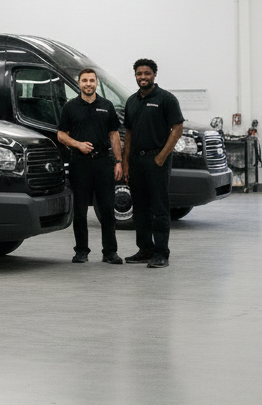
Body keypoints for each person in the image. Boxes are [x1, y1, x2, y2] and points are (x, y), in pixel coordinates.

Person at [121, 58, 184, 268]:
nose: (143, 77)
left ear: (154, 75)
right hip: (136, 161)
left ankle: (161, 253)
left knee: (159, 208)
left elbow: (177, 129)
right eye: (139, 74)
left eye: (147, 73)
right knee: (140, 208)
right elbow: (128, 133)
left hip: (157, 160)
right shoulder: (131, 101)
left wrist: (161, 157)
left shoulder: (166, 99)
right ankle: (145, 250)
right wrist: (126, 161)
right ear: (135, 76)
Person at [57, 68, 123, 264]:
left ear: (96, 83)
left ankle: (110, 252)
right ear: (79, 83)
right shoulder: (70, 107)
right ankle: (81, 251)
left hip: (103, 162)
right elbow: (61, 134)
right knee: (80, 209)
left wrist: (118, 161)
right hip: (80, 163)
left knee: (107, 209)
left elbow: (114, 135)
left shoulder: (107, 106)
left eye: (91, 80)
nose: (88, 84)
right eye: (84, 80)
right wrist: (78, 144)